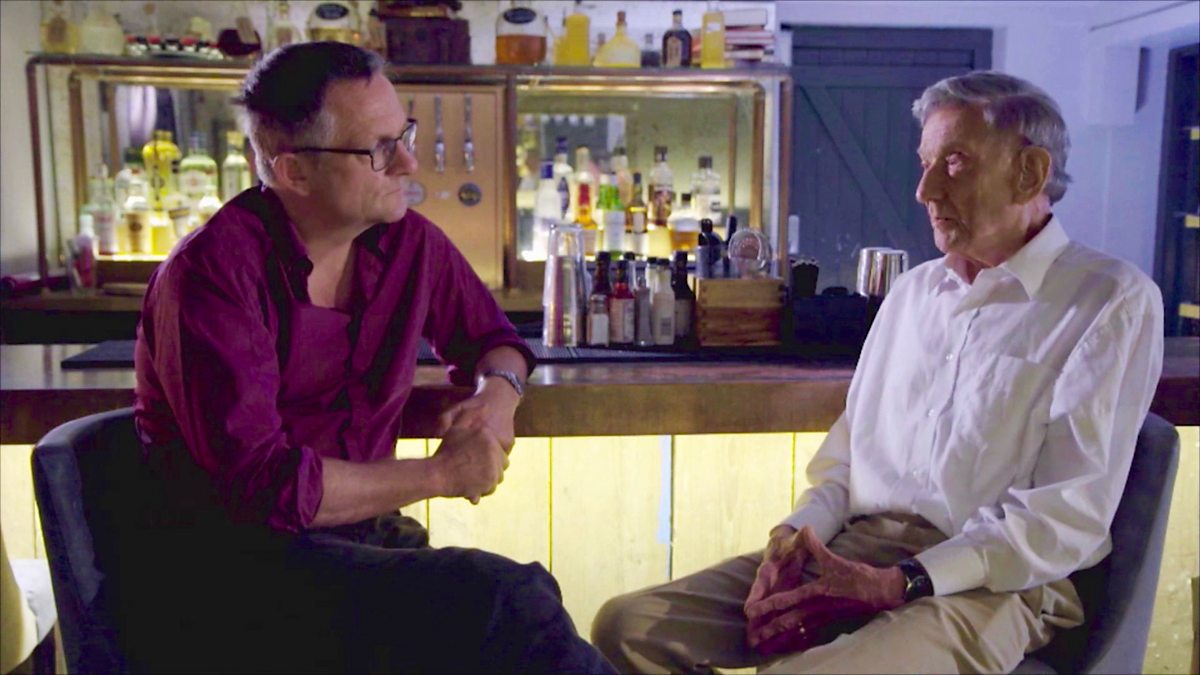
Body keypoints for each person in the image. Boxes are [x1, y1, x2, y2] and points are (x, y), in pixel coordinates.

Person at [592, 70, 1164, 673]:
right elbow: (845, 463)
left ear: (1030, 172)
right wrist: (794, 538)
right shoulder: (912, 293)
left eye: (955, 163)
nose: (923, 190)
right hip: (852, 549)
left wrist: (902, 581)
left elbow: (1062, 516)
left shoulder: (1110, 299)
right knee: (627, 627)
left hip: (995, 582)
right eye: (925, 163)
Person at [126, 42, 612, 673]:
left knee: (523, 602)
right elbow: (262, 489)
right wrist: (442, 474)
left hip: (363, 543)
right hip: (234, 575)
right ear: (294, 172)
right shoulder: (212, 274)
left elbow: (496, 340)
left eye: (404, 135)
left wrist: (498, 394)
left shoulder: (406, 242)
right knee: (506, 601)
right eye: (380, 149)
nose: (410, 161)